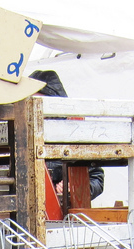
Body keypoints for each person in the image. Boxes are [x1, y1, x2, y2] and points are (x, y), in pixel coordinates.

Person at [30, 69, 105, 201]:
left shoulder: (76, 133)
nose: (34, 108)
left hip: (63, 214)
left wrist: (74, 188)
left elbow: (96, 178)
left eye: (39, 102)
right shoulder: (21, 133)